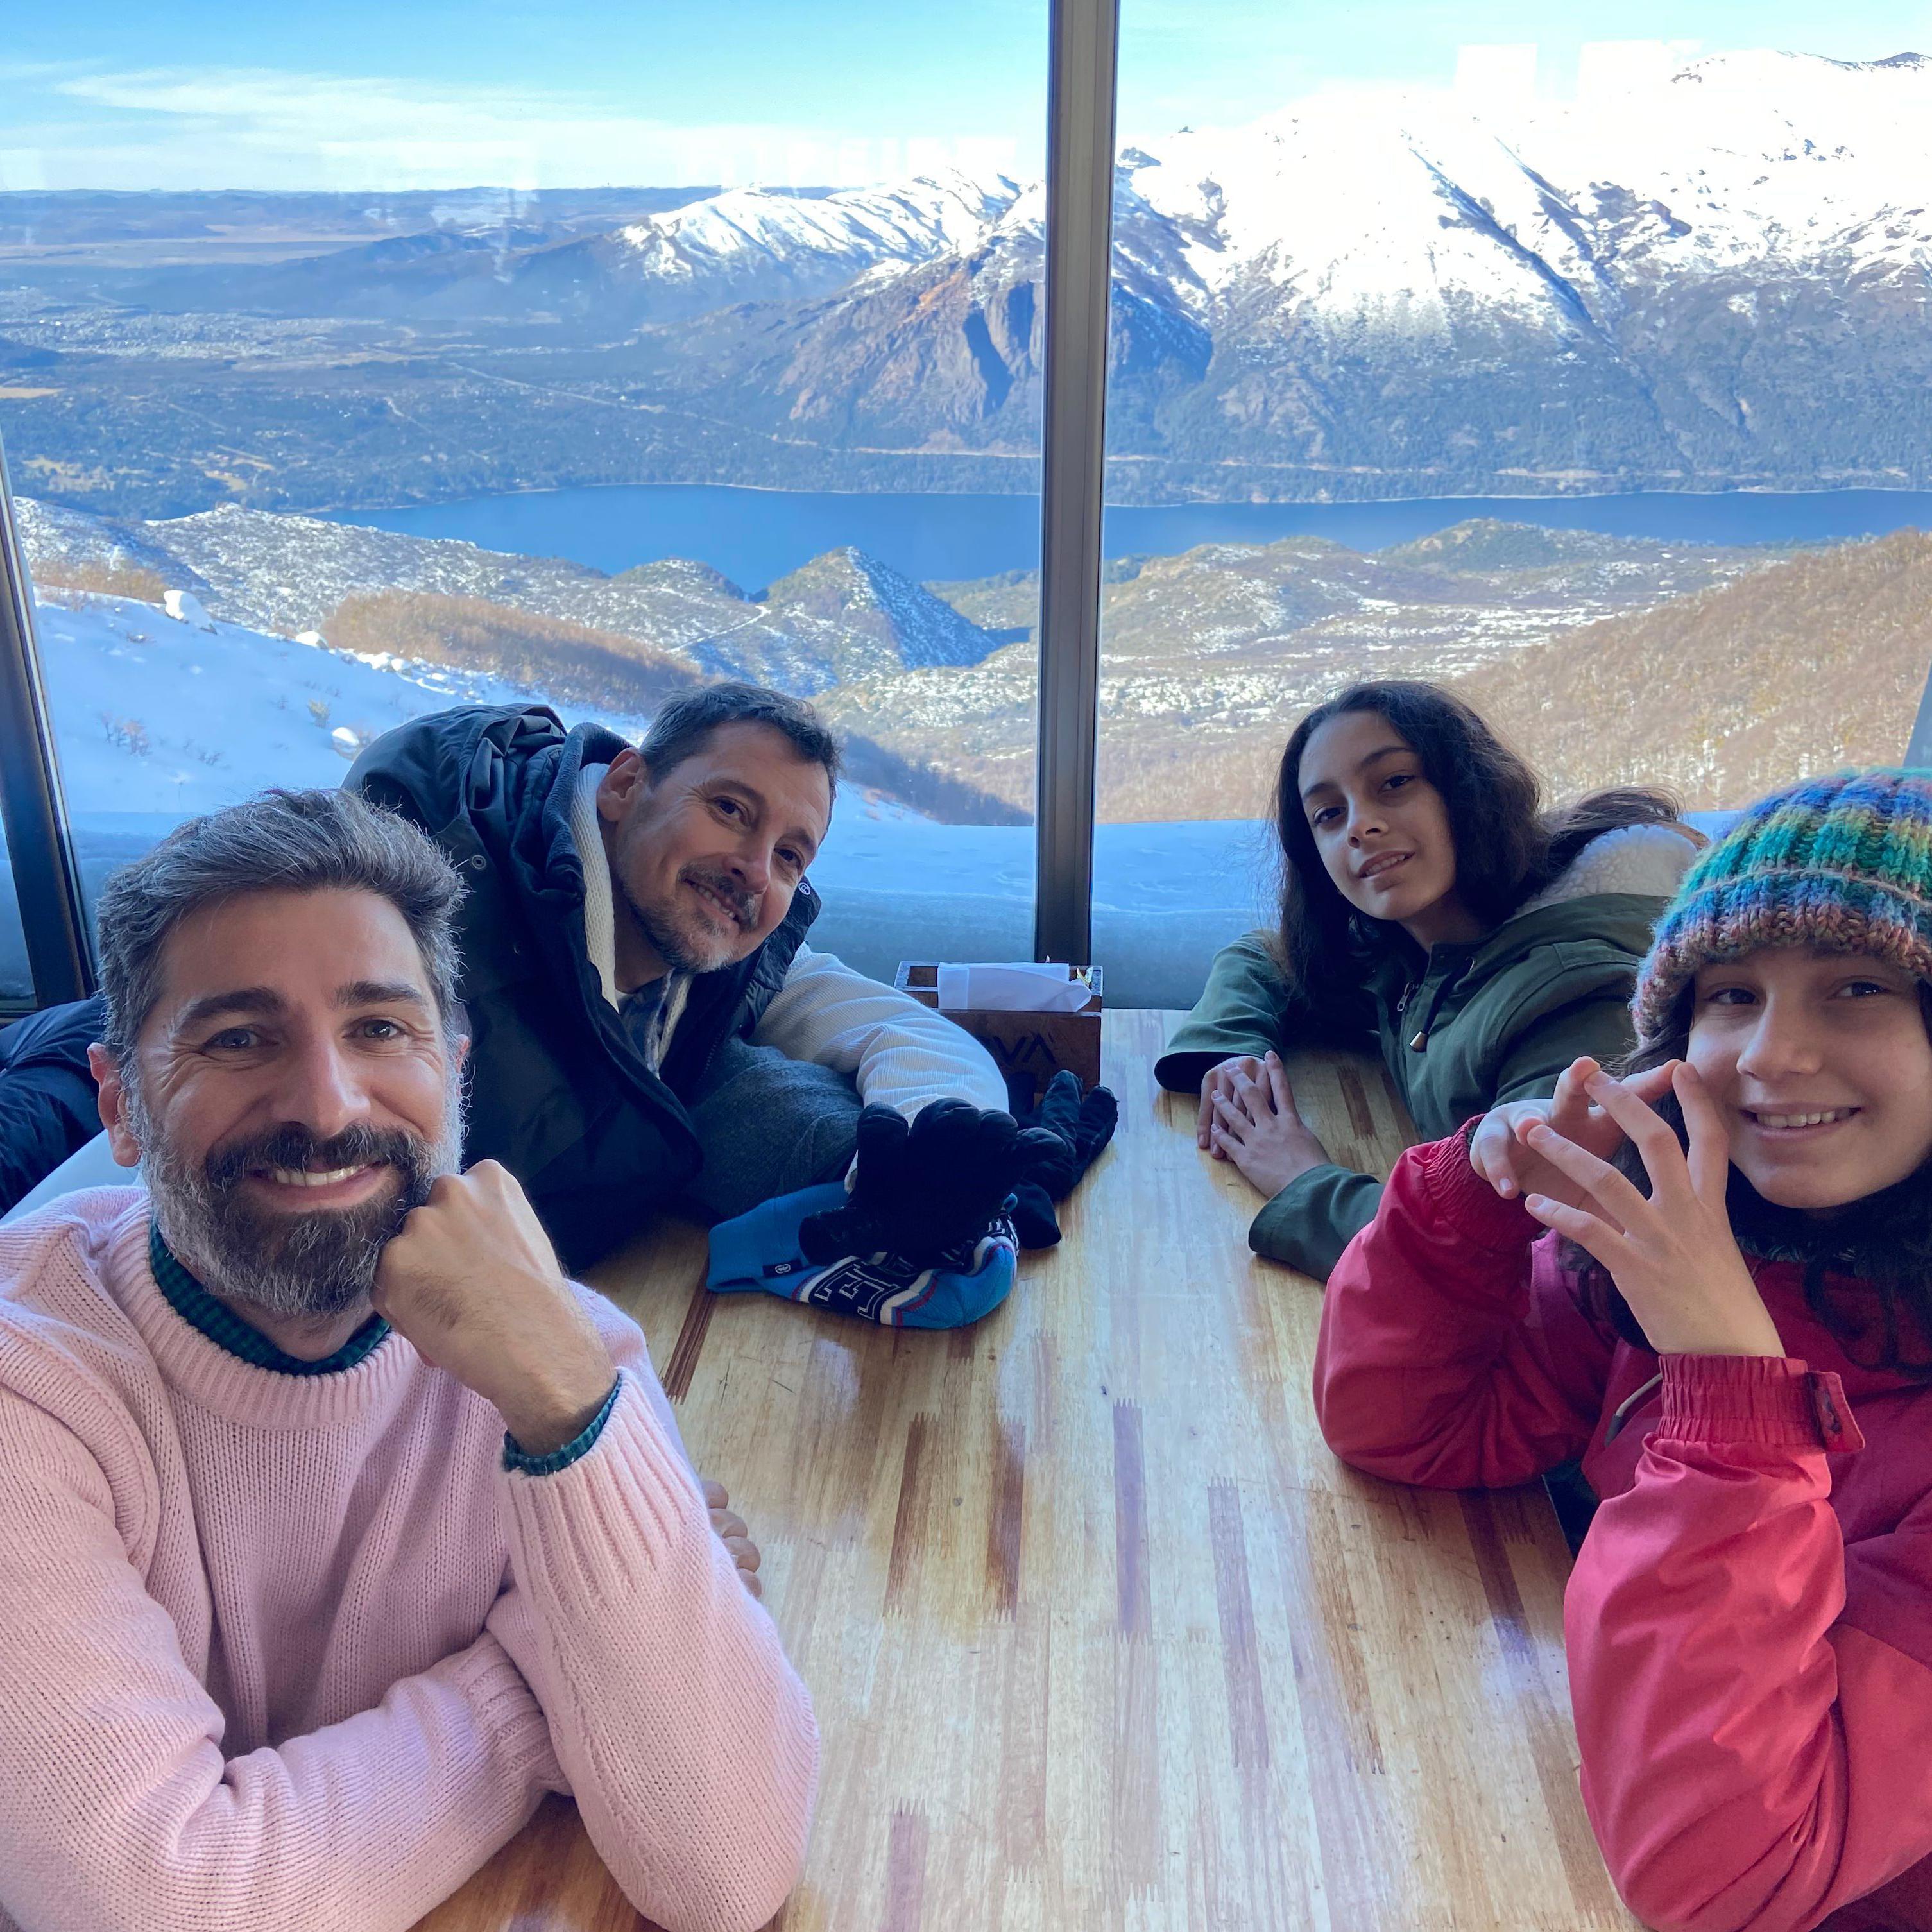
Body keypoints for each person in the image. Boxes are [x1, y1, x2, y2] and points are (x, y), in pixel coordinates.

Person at [0, 788, 817, 1932]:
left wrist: (575, 1409)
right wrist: (529, 1685)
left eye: (381, 1028)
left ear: (457, 1074)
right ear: (120, 1105)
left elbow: (726, 1871)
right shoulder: (31, 1383)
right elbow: (160, 1900)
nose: (327, 1106)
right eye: (239, 1038)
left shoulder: (552, 1352)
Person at [1315, 769, 1932, 1932]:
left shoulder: (1702, 1297)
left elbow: (1731, 1877)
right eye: (1732, 994)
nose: (1768, 1055)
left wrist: (1734, 1402)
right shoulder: (1706, 1250)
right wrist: (1473, 1195)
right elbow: (1412, 1427)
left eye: (1857, 987)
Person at [346, 687, 1022, 1270]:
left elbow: (901, 1029)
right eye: (730, 809)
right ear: (622, 785)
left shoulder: (715, 953)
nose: (754, 869)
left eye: (789, 854)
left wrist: (924, 1163)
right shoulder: (437, 931)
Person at [1156, 679, 1700, 1281]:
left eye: (1393, 783)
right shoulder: (1413, 943)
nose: (1360, 826)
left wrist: (1300, 1178)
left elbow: (1511, 1253)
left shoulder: (1574, 994)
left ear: (1465, 790)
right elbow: (1262, 958)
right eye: (1329, 814)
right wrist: (1233, 1054)